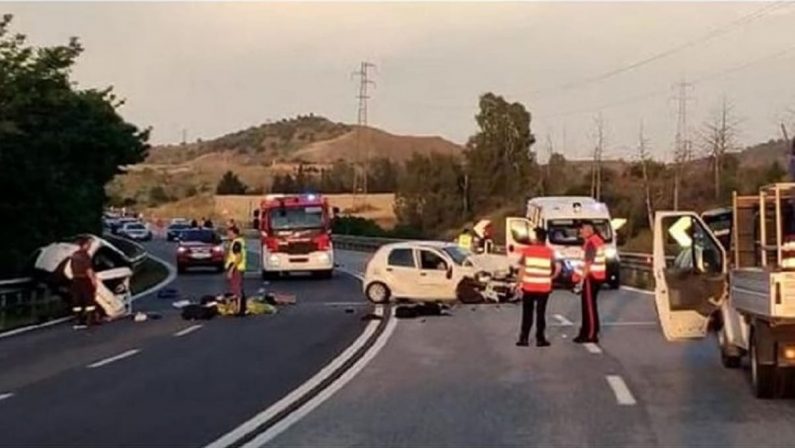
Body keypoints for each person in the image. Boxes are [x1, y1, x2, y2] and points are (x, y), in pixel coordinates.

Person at [516, 228, 560, 347]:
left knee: (527, 313)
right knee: (541, 313)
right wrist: (551, 277)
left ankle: (524, 338)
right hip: (543, 288)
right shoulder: (550, 252)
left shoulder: (527, 251)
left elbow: (522, 269)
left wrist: (518, 284)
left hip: (529, 287)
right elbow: (558, 267)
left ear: (536, 238)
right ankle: (540, 339)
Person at [573, 221, 607, 344]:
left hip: (591, 277)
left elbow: (588, 263)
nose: (580, 232)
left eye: (581, 229)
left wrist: (581, 280)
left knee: (589, 307)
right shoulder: (593, 241)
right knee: (587, 307)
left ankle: (591, 334)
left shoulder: (592, 242)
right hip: (592, 277)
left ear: (589, 229)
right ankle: (585, 332)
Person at [69, 236, 98, 329]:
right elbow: (89, 269)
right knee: (89, 299)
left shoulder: (74, 255)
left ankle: (78, 319)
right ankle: (90, 319)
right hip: (84, 279)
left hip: (75, 279)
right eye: (89, 244)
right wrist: (93, 281)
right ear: (85, 245)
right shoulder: (85, 255)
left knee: (77, 300)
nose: (89, 246)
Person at [226, 226, 247, 316]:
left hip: (236, 268)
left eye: (229, 233)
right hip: (239, 268)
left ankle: (238, 310)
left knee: (236, 289)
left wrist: (231, 269)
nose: (228, 235)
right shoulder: (240, 241)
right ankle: (242, 308)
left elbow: (239, 257)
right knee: (239, 288)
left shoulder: (236, 243)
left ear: (234, 233)